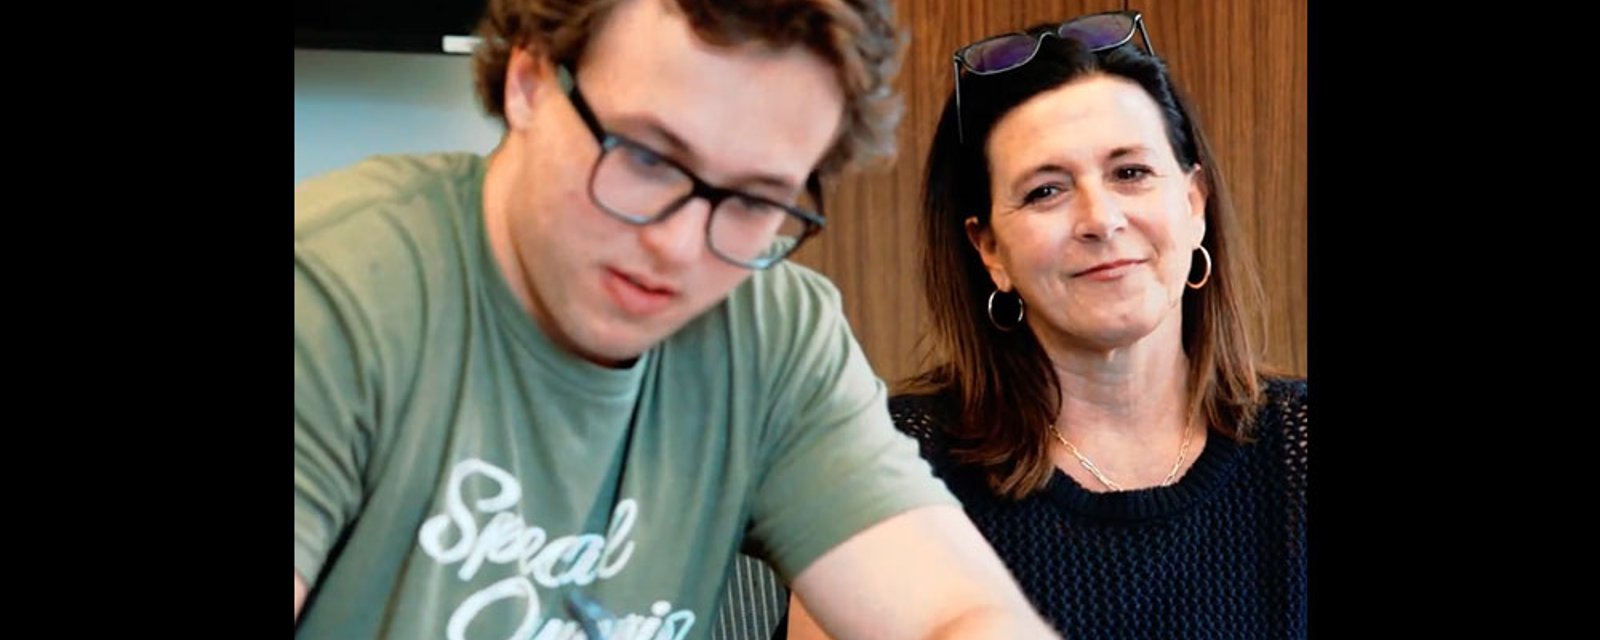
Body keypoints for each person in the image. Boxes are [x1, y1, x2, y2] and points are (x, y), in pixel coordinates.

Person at [293, 0, 1064, 638]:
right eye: (647, 157)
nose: (677, 244)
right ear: (528, 79)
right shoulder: (332, 289)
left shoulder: (773, 335)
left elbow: (953, 617)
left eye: (756, 200)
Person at [786, 9, 1308, 639]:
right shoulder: (891, 466)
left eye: (1131, 173)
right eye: (1045, 191)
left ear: (1194, 204)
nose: (1100, 219)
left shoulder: (1298, 447)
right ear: (990, 250)